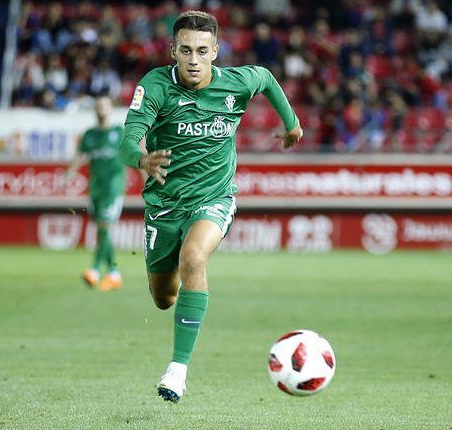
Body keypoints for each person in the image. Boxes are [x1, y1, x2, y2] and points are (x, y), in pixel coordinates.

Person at [118, 11, 302, 403]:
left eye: (202, 50)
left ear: (215, 52)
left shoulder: (235, 82)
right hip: (164, 205)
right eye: (186, 50)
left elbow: (266, 78)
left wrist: (291, 123)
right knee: (163, 298)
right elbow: (128, 138)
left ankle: (177, 370)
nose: (194, 59)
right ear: (173, 51)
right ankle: (173, 293)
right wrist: (141, 159)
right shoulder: (155, 86)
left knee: (194, 258)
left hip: (214, 198)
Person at [66, 96, 125, 291]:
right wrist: (70, 172)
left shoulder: (119, 132)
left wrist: (147, 179)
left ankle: (97, 270)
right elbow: (81, 156)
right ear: (95, 110)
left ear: (110, 109)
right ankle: (109, 272)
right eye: (98, 106)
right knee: (102, 229)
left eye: (105, 106)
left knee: (104, 227)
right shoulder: (89, 135)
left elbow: (134, 154)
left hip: (113, 187)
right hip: (96, 188)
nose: (101, 109)